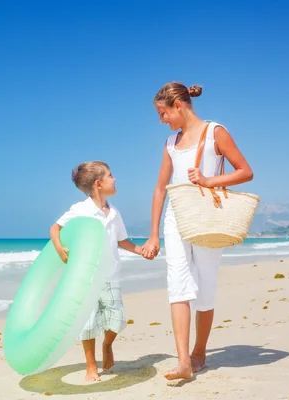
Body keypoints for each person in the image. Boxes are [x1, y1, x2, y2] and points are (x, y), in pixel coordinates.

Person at [141, 82, 254, 380]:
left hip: (208, 218)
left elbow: (245, 171)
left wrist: (208, 181)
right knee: (177, 285)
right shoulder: (169, 144)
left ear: (178, 106)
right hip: (176, 219)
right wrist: (154, 234)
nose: (161, 120)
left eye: (163, 113)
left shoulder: (215, 132)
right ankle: (183, 362)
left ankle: (199, 352)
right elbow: (159, 189)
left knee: (205, 289)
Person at [50, 161, 151, 382]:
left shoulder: (114, 212)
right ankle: (90, 366)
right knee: (88, 324)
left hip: (110, 275)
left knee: (117, 320)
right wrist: (59, 247)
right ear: (99, 183)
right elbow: (55, 227)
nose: (115, 179)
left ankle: (107, 345)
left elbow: (122, 241)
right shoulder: (80, 210)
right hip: (87, 277)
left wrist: (141, 251)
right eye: (111, 175)